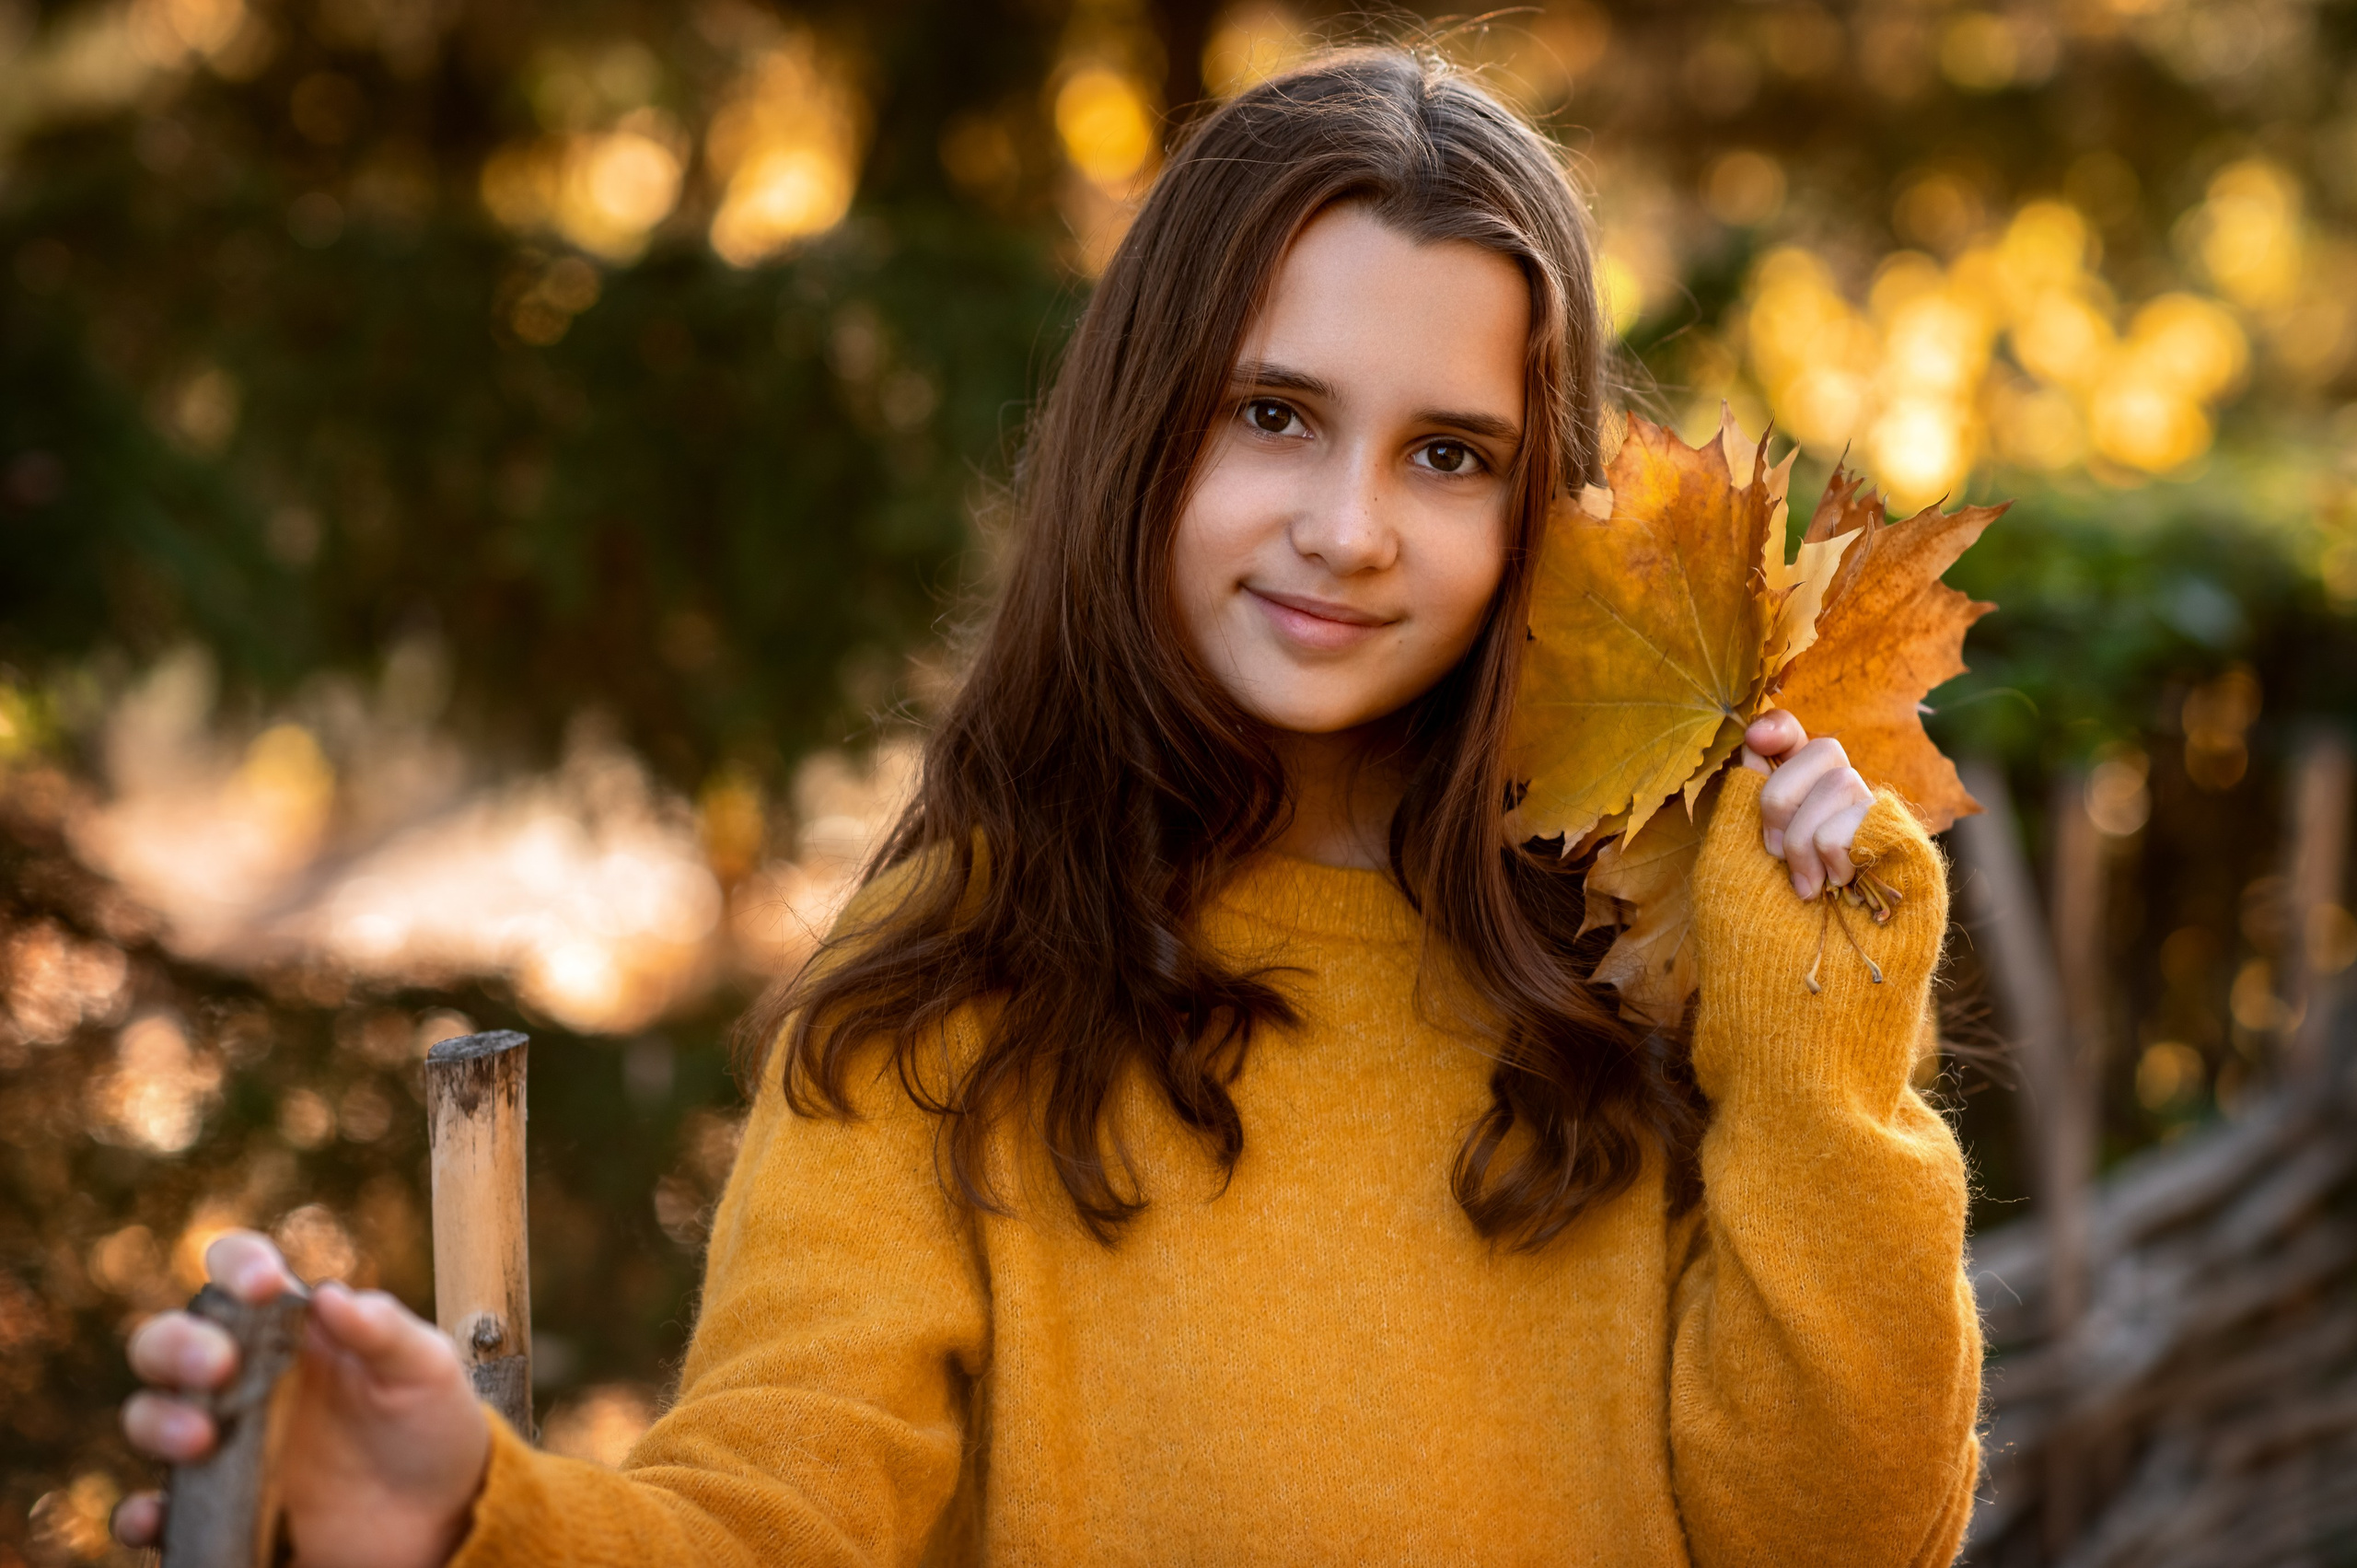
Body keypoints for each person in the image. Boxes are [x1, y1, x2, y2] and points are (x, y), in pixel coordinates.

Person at [117, 48, 1981, 1567]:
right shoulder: (963, 966)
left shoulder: (1639, 947)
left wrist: (1813, 1032)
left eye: (1445, 454)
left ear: (1531, 508)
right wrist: (466, 1512)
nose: (1347, 525)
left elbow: (1842, 1536)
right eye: (1272, 415)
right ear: (1142, 423)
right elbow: (777, 1510)